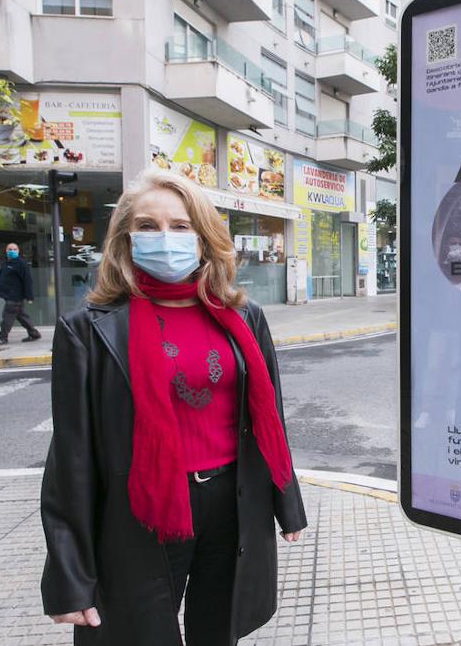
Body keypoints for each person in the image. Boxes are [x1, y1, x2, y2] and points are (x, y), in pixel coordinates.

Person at [40, 169, 306, 646]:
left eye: (181, 226)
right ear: (125, 240)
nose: (165, 238)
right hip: (139, 515)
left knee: (217, 633)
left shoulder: (245, 317)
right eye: (148, 226)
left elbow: (269, 420)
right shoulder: (87, 330)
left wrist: (287, 504)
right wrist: (69, 575)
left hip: (231, 507)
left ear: (204, 240)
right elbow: (71, 460)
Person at [0, 242, 41, 346]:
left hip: (15, 296)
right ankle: (34, 334)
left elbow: (27, 280)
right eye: (10, 249)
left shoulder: (21, 264)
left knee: (7, 316)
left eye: (14, 249)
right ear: (6, 251)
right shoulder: (6, 264)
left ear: (18, 251)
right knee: (21, 316)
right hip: (8, 295)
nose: (12, 251)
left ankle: (2, 337)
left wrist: (29, 296)